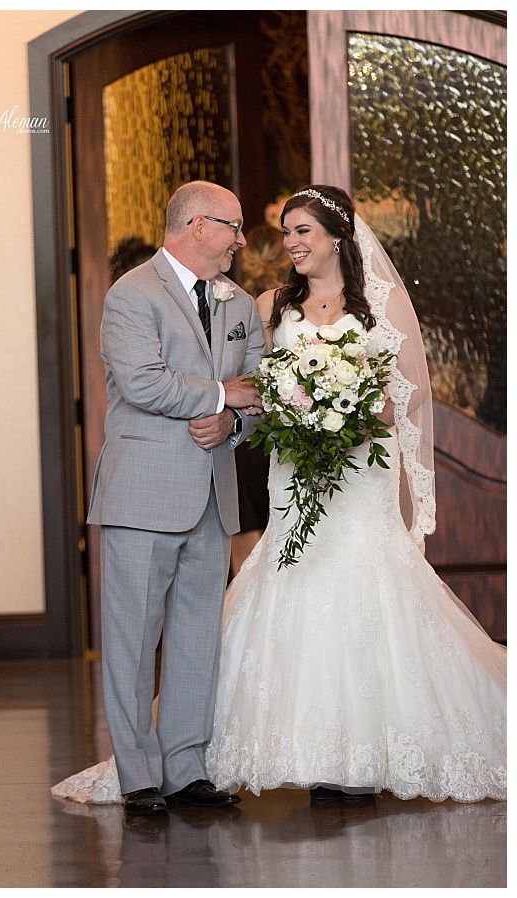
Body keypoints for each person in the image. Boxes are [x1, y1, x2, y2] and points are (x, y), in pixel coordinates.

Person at [205, 185, 506, 803]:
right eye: (286, 232)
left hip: (359, 473)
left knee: (366, 590)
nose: (291, 243)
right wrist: (292, 408)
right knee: (291, 581)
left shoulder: (382, 309)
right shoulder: (269, 308)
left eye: (303, 232)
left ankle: (367, 750)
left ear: (337, 237)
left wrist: (344, 415)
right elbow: (244, 382)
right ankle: (298, 750)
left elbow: (404, 402)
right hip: (294, 474)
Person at [79, 181, 266, 817]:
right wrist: (222, 396)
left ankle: (186, 768)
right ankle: (137, 774)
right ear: (193, 224)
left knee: (195, 636)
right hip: (142, 494)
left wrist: (233, 423)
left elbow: (260, 393)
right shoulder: (131, 294)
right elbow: (143, 384)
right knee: (132, 639)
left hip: (212, 495)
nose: (242, 240)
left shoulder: (240, 302)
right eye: (233, 226)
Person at [229, 223, 292, 575]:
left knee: (246, 562)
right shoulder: (292, 309)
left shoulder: (236, 307)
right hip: (286, 438)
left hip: (246, 439)